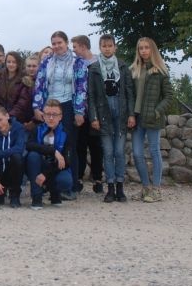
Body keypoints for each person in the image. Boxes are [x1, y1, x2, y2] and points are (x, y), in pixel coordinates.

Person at [32, 31, 87, 197]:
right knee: (47, 143)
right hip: (49, 106)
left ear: (66, 43)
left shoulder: (78, 62)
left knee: (70, 145)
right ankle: (45, 183)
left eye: (59, 43)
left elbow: (81, 87)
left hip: (68, 106)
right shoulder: (46, 62)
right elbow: (39, 84)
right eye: (54, 43)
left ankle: (71, 185)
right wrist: (37, 107)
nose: (56, 46)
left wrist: (79, 111)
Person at [87, 34, 135, 203]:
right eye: (104, 46)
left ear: (115, 47)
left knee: (119, 152)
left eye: (110, 45)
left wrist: (131, 114)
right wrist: (93, 117)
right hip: (103, 113)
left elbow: (129, 92)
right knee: (107, 152)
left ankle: (120, 186)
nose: (107, 49)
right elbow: (91, 95)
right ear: (100, 48)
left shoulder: (123, 67)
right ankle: (110, 187)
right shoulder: (94, 69)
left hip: (120, 112)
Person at [130, 37, 173, 203]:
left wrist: (157, 112)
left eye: (146, 47)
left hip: (153, 117)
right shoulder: (134, 70)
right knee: (137, 153)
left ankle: (156, 189)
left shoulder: (160, 71)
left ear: (152, 50)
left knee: (154, 151)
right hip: (137, 117)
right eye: (141, 48)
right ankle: (145, 187)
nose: (143, 51)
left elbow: (169, 97)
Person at [72, 34, 104, 194]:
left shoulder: (99, 63)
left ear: (83, 46)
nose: (73, 50)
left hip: (96, 111)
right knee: (80, 146)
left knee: (96, 146)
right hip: (80, 111)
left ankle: (97, 178)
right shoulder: (76, 64)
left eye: (75, 47)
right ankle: (78, 178)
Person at [25, 99, 70, 209]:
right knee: (32, 156)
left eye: (54, 115)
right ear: (43, 116)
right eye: (47, 114)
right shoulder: (37, 129)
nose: (50, 118)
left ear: (60, 117)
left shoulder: (66, 133)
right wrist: (54, 151)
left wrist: (45, 174)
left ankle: (55, 194)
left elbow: (67, 161)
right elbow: (29, 145)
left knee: (65, 181)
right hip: (38, 165)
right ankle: (36, 197)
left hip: (55, 168)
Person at [0, 51, 34, 128]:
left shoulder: (24, 79)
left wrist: (9, 116)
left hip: (17, 119)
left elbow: (22, 102)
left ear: (18, 63)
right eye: (9, 62)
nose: (11, 64)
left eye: (14, 62)